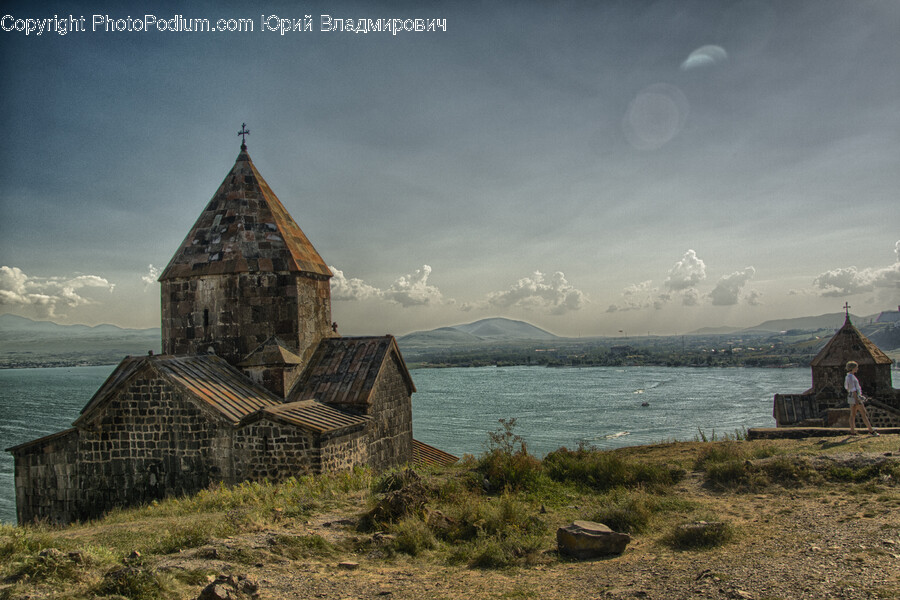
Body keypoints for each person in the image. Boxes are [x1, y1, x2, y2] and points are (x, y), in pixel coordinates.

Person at [844, 361, 878, 436]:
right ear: (853, 368)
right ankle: (871, 431)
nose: (857, 368)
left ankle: (853, 432)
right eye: (856, 367)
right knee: (863, 413)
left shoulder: (848, 376)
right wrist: (857, 400)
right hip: (855, 397)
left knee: (852, 415)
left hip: (851, 397)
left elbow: (847, 388)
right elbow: (853, 389)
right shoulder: (851, 377)